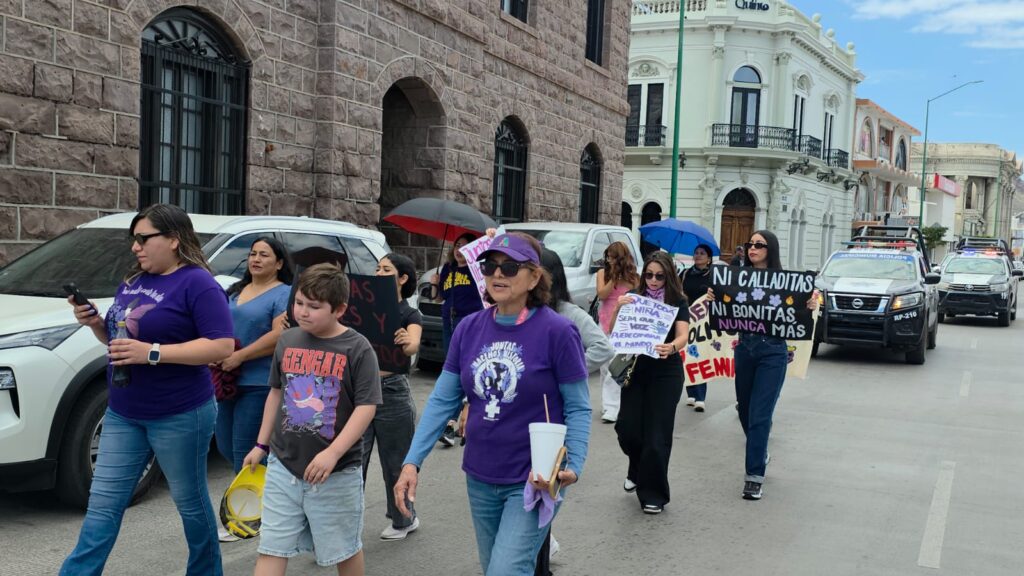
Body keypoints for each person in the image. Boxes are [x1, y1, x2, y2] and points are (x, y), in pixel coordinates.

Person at [395, 233, 591, 576]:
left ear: (534, 277)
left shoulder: (558, 331)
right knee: (496, 569)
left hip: (534, 478)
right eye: (490, 266)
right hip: (480, 475)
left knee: (505, 570)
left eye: (511, 267)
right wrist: (412, 462)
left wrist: (573, 461)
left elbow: (578, 406)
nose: (498, 274)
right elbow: (443, 399)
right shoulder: (469, 329)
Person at [61, 204, 235, 576]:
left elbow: (222, 347)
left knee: (190, 504)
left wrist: (153, 353)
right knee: (102, 505)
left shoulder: (199, 283)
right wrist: (95, 324)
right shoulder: (133, 280)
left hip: (180, 413)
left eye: (143, 238)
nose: (135, 247)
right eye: (133, 240)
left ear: (173, 239)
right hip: (124, 411)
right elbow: (122, 341)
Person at [244, 263, 381, 576]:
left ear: (340, 309)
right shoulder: (288, 340)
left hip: (336, 474)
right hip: (283, 466)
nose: (303, 312)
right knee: (271, 547)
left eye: (314, 307)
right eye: (299, 303)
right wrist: (261, 444)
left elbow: (366, 407)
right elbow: (276, 393)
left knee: (343, 550)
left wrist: (332, 454)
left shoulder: (358, 348)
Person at [707, 231, 818, 501]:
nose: (752, 248)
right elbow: (724, 309)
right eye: (750, 244)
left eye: (759, 245)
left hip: (773, 352)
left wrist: (812, 304)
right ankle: (760, 447)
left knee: (760, 414)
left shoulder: (786, 282)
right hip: (745, 348)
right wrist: (714, 297)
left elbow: (801, 310)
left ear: (771, 249)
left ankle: (754, 475)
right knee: (744, 409)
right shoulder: (734, 278)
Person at [535, 247, 614, 574]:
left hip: (554, 421)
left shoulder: (568, 314)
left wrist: (569, 369)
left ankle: (540, 556)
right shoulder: (516, 314)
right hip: (520, 419)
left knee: (545, 491)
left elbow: (603, 347)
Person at [215, 237, 293, 542]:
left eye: (264, 255)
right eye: (252, 254)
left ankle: (242, 518)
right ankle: (276, 494)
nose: (256, 259)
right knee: (224, 443)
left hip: (259, 382)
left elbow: (277, 337)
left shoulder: (284, 294)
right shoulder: (236, 290)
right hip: (227, 380)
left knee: (242, 450)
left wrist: (240, 356)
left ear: (279, 263)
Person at [609, 252, 689, 515]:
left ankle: (653, 493)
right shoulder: (634, 296)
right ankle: (636, 466)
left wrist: (672, 347)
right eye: (649, 275)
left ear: (669, 276)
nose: (653, 281)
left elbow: (683, 335)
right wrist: (619, 307)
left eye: (660, 276)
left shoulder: (677, 300)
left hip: (666, 372)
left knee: (657, 435)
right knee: (627, 428)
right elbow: (612, 332)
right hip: (637, 369)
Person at [362, 253, 423, 542]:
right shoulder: (359, 309)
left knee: (395, 462)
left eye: (386, 269)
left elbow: (413, 344)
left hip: (392, 393)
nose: (378, 272)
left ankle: (403, 519)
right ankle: (342, 523)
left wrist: (407, 342)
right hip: (359, 392)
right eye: (376, 268)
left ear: (402, 278)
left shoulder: (409, 313)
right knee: (352, 462)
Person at [431, 232, 485, 445]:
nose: (459, 249)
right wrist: (436, 283)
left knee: (465, 368)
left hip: (469, 320)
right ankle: (453, 419)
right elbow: (439, 297)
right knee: (451, 368)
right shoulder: (447, 269)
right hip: (449, 320)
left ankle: (453, 421)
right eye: (457, 245)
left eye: (465, 246)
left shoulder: (477, 270)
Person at [595, 241, 640, 423]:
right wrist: (613, 277)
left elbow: (639, 296)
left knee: (617, 367)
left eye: (613, 257)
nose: (609, 260)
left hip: (625, 326)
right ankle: (608, 404)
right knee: (605, 367)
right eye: (608, 257)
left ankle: (612, 407)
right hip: (605, 322)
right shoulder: (602, 273)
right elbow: (602, 295)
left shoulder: (633, 277)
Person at [679, 244, 714, 413]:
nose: (698, 255)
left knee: (701, 356)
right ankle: (691, 393)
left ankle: (701, 397)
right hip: (687, 319)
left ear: (709, 258)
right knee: (688, 355)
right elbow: (676, 290)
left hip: (704, 321)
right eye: (696, 252)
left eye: (702, 253)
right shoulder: (685, 273)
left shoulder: (713, 275)